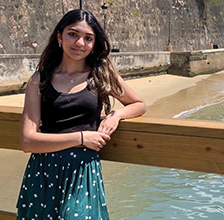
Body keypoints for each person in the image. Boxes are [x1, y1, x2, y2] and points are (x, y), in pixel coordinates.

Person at [16, 9, 146, 220]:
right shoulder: (39, 80)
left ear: (94, 44)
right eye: (73, 34)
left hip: (83, 171)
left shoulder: (100, 73)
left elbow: (139, 104)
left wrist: (117, 114)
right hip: (44, 170)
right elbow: (27, 141)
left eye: (88, 38)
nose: (80, 43)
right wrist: (83, 137)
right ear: (60, 36)